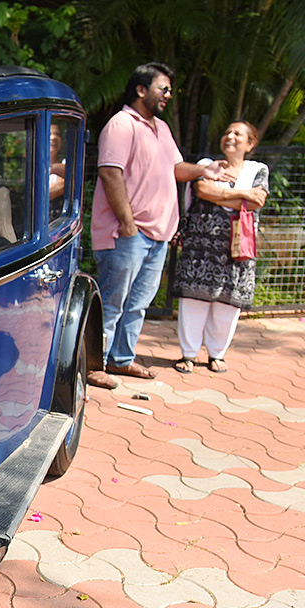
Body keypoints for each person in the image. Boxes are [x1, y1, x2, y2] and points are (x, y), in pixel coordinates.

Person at [88, 62, 228, 389]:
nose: (168, 95)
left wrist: (206, 171)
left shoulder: (160, 128)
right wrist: (127, 224)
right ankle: (94, 364)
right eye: (162, 88)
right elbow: (110, 173)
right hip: (127, 234)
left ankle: (120, 360)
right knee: (111, 303)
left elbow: (176, 168)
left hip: (157, 236)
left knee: (137, 305)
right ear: (141, 89)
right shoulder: (121, 125)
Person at [172, 121, 268, 373]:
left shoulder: (258, 170)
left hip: (237, 246)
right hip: (201, 245)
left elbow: (258, 200)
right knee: (194, 299)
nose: (230, 137)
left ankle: (217, 354)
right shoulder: (206, 166)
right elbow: (202, 189)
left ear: (251, 143)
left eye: (238, 134)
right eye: (227, 132)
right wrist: (242, 195)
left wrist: (223, 194)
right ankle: (189, 355)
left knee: (228, 302)